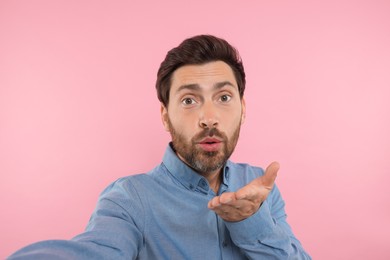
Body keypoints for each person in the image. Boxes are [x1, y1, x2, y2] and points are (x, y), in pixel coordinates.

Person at [8, 35, 311, 259]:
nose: (208, 118)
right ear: (165, 116)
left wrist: (251, 221)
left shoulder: (261, 188)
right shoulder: (129, 199)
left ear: (243, 109)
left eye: (224, 98)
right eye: (189, 100)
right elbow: (95, 251)